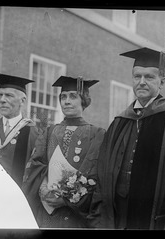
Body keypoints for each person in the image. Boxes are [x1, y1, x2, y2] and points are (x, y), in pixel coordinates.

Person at [88, 47, 165, 229]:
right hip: (118, 213)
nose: (142, 82)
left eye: (149, 77)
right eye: (137, 76)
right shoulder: (120, 121)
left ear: (162, 81)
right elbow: (103, 169)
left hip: (155, 215)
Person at [22, 76, 105, 228]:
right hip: (47, 209)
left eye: (73, 96)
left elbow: (95, 173)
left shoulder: (97, 134)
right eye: (63, 97)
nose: (66, 101)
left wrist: (67, 199)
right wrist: (44, 190)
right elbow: (36, 164)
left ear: (84, 100)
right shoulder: (49, 131)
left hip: (77, 214)